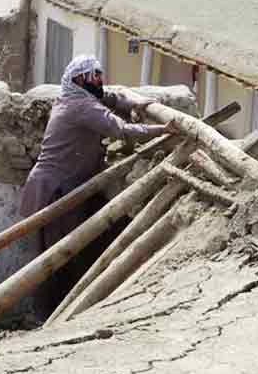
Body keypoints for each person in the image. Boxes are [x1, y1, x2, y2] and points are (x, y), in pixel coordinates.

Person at [18, 55, 181, 317]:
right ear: (80, 79)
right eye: (94, 75)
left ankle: (56, 312)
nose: (99, 79)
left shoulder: (76, 97)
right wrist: (163, 130)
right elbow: (122, 130)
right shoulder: (81, 107)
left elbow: (113, 97)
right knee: (58, 257)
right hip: (55, 190)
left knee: (64, 252)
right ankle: (51, 315)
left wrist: (136, 102)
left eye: (99, 73)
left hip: (62, 186)